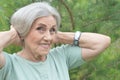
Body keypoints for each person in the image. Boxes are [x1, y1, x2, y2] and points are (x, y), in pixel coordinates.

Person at [0, 2, 111, 80]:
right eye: (40, 29)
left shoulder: (61, 56)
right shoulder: (9, 64)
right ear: (23, 30)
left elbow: (102, 42)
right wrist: (12, 34)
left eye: (52, 29)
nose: (48, 37)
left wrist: (60, 36)